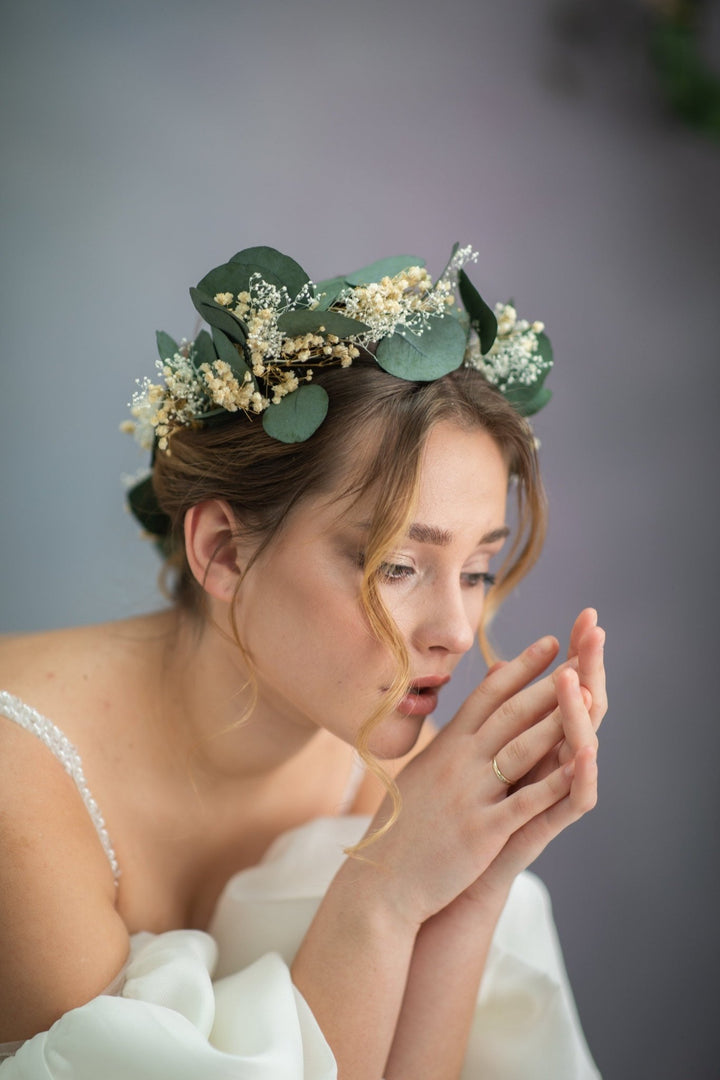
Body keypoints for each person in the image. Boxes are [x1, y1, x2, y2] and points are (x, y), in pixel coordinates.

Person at [0, 244, 606, 1078]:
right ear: (223, 551)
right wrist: (383, 894)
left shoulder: (394, 770)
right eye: (397, 564)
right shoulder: (18, 789)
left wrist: (475, 891)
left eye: (476, 570)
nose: (459, 631)